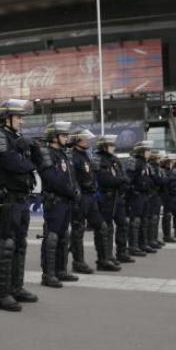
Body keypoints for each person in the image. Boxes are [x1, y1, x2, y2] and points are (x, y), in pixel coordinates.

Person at [0, 99, 38, 311]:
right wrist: (29, 164)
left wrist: (26, 160)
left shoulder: (16, 138)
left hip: (21, 197)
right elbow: (11, 163)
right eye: (18, 117)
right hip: (8, 199)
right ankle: (2, 294)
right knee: (6, 245)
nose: (22, 121)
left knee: (19, 244)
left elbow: (25, 163)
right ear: (6, 118)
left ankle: (17, 288)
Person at [35, 121, 81, 287]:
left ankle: (61, 270)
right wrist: (71, 191)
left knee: (63, 237)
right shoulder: (46, 153)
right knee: (52, 237)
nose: (66, 138)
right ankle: (48, 274)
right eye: (63, 135)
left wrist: (76, 190)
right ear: (54, 137)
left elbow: (72, 177)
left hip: (66, 201)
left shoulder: (63, 154)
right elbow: (52, 179)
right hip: (55, 201)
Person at [70, 130, 121, 272]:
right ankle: (78, 262)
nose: (87, 141)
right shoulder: (73, 157)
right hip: (81, 198)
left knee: (102, 226)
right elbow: (72, 179)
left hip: (91, 197)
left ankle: (103, 260)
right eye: (84, 139)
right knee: (78, 230)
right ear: (77, 140)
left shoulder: (85, 156)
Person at [92, 134, 134, 264]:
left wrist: (122, 181)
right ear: (103, 146)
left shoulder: (115, 159)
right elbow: (105, 179)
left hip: (118, 197)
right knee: (107, 227)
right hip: (106, 198)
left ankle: (121, 252)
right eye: (110, 145)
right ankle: (107, 256)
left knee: (123, 224)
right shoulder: (98, 159)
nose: (113, 147)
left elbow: (124, 177)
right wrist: (120, 180)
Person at [125, 140, 156, 256]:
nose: (149, 152)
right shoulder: (135, 162)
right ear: (141, 152)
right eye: (147, 150)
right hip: (136, 195)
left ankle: (143, 243)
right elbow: (129, 179)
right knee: (135, 221)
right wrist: (131, 191)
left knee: (144, 220)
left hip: (145, 195)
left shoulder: (146, 164)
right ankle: (133, 246)